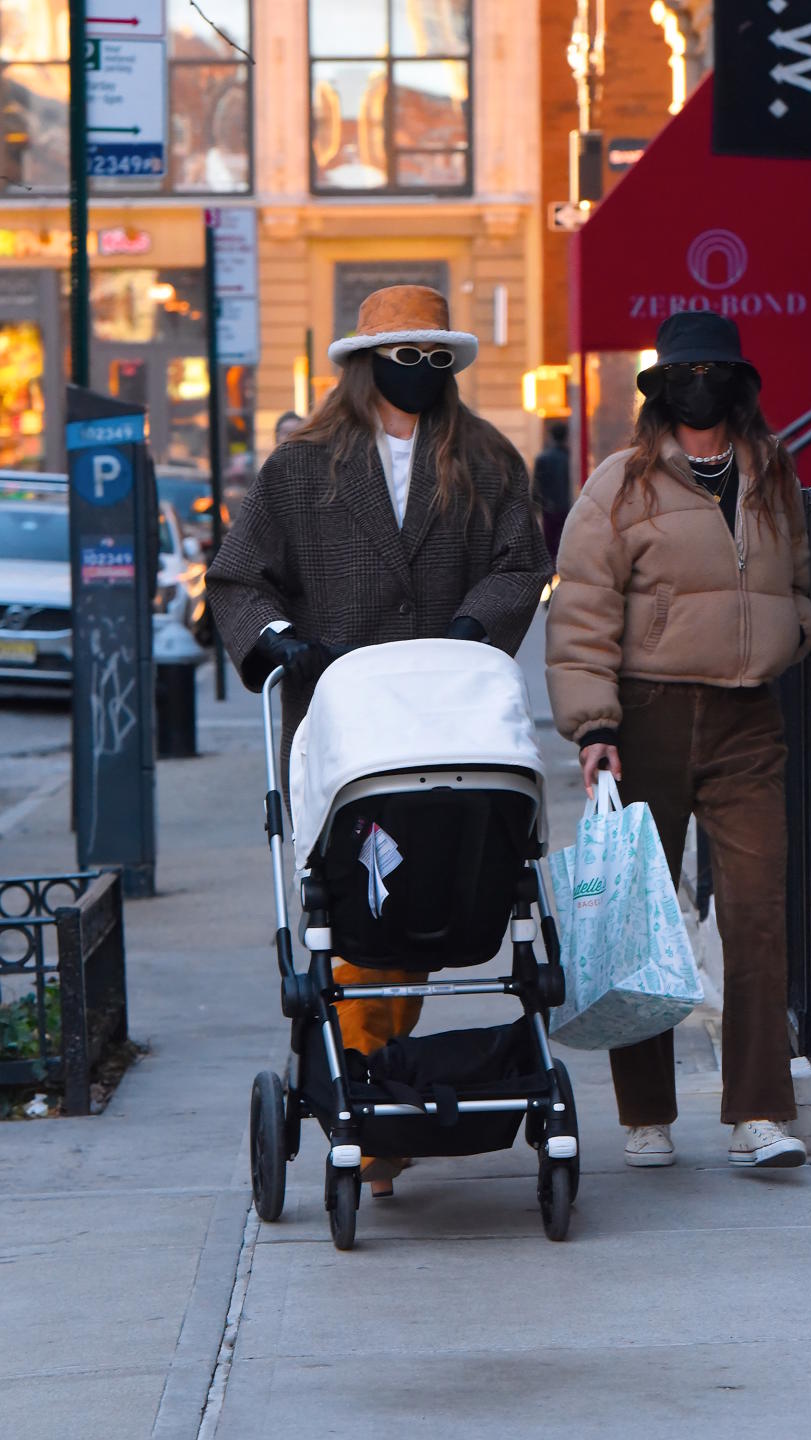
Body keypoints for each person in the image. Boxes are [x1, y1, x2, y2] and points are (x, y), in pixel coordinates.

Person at [206, 284, 552, 1191]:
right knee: (362, 915)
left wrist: (476, 630)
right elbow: (239, 579)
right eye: (407, 356)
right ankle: (370, 1100)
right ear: (366, 363)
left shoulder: (484, 459)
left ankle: (382, 1096)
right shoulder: (302, 468)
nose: (422, 373)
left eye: (439, 359)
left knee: (429, 910)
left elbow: (523, 564)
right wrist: (281, 644)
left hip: (447, 723)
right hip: (345, 726)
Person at [545, 311, 811, 1170]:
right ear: (661, 388)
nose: (702, 384)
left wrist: (792, 635)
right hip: (647, 718)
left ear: (740, 383)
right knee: (640, 922)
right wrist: (593, 727)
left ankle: (759, 1115)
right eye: (686, 371)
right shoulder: (619, 484)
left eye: (717, 370)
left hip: (748, 719)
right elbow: (582, 612)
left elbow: (801, 583)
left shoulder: (773, 473)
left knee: (757, 916)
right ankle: (646, 1115)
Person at [532, 421, 571, 566]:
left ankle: (550, 574)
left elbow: (536, 486)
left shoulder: (542, 458)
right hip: (567, 506)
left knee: (550, 543)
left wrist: (535, 506)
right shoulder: (569, 458)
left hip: (549, 508)